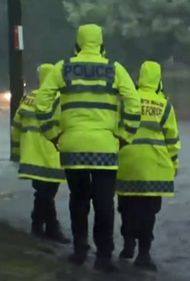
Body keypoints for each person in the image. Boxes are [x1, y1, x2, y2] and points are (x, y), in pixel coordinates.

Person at [34, 24, 141, 272]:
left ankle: (80, 250)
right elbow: (134, 106)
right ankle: (104, 256)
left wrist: (53, 134)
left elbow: (42, 103)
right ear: (102, 45)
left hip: (73, 147)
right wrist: (124, 136)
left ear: (77, 45)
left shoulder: (63, 68)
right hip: (105, 147)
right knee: (104, 203)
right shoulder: (115, 70)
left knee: (78, 200)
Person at [116, 61, 181, 271]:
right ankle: (144, 254)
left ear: (140, 77)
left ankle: (127, 244)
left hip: (127, 164)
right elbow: (172, 138)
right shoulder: (164, 105)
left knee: (126, 206)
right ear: (158, 78)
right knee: (148, 212)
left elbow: (116, 129)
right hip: (155, 167)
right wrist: (174, 163)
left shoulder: (127, 101)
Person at [11, 63, 69, 244]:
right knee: (46, 193)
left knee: (43, 193)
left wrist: (16, 152)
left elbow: (16, 127)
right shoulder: (58, 99)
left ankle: (45, 227)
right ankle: (43, 227)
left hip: (31, 156)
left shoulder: (28, 98)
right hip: (50, 155)